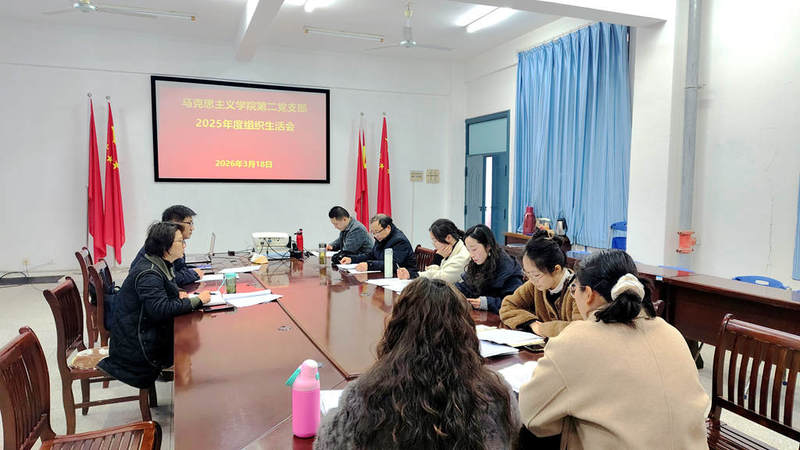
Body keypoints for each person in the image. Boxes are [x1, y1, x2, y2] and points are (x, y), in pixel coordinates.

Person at [519, 250, 709, 448]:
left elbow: (531, 415)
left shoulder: (577, 339)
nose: (573, 296)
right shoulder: (671, 332)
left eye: (574, 289)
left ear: (589, 294)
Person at [314, 277, 521, 449]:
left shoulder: (366, 396)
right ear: (466, 331)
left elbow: (327, 443)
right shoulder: (496, 394)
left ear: (398, 329)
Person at [98, 222, 211, 389]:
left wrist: (177, 296)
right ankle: (192, 392)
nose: (184, 245)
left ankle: (193, 385)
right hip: (139, 349)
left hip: (145, 335)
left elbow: (160, 299)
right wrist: (197, 300)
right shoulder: (148, 273)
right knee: (199, 342)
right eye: (180, 241)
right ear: (165, 247)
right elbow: (160, 309)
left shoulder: (158, 264)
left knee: (195, 335)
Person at [499, 230, 582, 337]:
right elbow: (507, 306)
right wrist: (531, 322)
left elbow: (579, 328)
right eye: (527, 273)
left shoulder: (578, 291)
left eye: (536, 275)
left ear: (556, 269)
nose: (531, 280)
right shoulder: (534, 285)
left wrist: (543, 329)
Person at [455, 224, 523, 314]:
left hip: (501, 317)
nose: (471, 255)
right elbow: (467, 286)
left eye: (474, 249)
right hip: (482, 314)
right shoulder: (478, 263)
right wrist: (453, 291)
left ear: (488, 246)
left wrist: (486, 303)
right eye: (468, 250)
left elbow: (514, 302)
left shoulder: (507, 267)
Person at [131, 205, 203, 287]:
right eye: (189, 223)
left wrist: (194, 270)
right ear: (174, 223)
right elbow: (168, 277)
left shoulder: (174, 244)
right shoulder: (159, 246)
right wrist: (194, 274)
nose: (192, 228)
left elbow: (180, 268)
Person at [340, 214, 418, 277]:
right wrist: (352, 259)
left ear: (388, 228)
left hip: (404, 278)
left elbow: (392, 264)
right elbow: (371, 255)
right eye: (373, 233)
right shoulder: (381, 237)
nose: (375, 236)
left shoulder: (399, 241)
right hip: (385, 275)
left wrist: (369, 265)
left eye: (377, 232)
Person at [397, 218, 470, 283]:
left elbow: (440, 279)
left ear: (448, 238)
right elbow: (434, 273)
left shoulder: (462, 257)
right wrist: (439, 258)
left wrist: (414, 275)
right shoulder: (449, 251)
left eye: (435, 241)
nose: (434, 245)